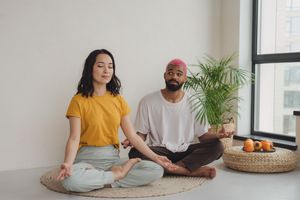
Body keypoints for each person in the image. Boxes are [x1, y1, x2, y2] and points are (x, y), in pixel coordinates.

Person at [57, 49, 175, 193]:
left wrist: (156, 157)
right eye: (100, 66)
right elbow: (74, 138)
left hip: (112, 159)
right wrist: (68, 164)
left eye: (110, 66)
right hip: (85, 159)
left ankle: (104, 178)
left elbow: (132, 136)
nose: (106, 70)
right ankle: (116, 176)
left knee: (156, 170)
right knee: (70, 181)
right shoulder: (78, 101)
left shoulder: (118, 100)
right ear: (90, 69)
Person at [122, 58, 234, 179]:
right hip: (160, 151)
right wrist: (132, 140)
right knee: (134, 153)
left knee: (218, 146)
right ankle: (185, 170)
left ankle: (171, 168)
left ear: (185, 78)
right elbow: (142, 135)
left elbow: (203, 137)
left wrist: (218, 136)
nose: (174, 77)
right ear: (165, 76)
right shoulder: (147, 101)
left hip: (186, 151)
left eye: (179, 74)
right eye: (170, 73)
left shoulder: (195, 102)